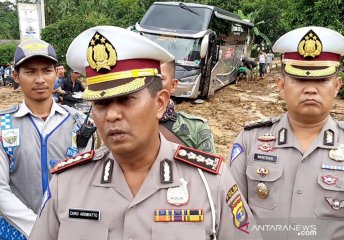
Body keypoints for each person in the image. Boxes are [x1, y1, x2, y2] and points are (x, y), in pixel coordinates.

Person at [30, 25, 262, 240]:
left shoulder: (211, 183)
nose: (111, 115)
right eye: (101, 104)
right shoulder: (67, 183)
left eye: (126, 100)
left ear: (160, 103)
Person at [228, 26, 344, 240]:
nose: (310, 89)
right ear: (281, 85)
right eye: (299, 79)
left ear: (336, 86)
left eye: (320, 80)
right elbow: (229, 214)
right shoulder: (250, 140)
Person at [0, 39, 95, 238]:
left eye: (47, 70)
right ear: (16, 76)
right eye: (30, 72)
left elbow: (86, 181)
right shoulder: (3, 125)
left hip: (67, 230)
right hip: (16, 231)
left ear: (57, 73)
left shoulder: (78, 123)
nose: (40, 79)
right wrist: (38, 228)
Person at [159, 60, 216, 153]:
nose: (149, 84)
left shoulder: (196, 129)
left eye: (159, 78)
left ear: (173, 85)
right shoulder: (128, 125)